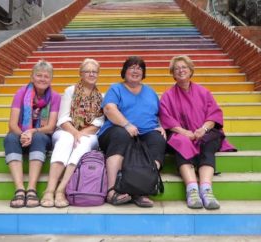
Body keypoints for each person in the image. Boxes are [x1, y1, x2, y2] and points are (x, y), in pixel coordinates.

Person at [159, 55, 236, 210]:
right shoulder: (167, 96)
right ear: (173, 74)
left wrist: (203, 129)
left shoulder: (203, 92)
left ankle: (206, 190)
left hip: (204, 132)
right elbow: (166, 118)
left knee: (207, 143)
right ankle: (192, 189)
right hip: (182, 133)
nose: (180, 71)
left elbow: (213, 115)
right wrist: (184, 132)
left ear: (191, 70)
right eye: (177, 68)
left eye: (184, 67)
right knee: (181, 142)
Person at [98, 56, 167, 208]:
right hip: (116, 131)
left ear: (143, 73)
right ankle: (112, 191)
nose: (136, 71)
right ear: (124, 71)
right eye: (131, 67)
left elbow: (158, 113)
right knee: (121, 134)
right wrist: (126, 124)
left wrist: (161, 125)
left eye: (139, 68)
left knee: (158, 139)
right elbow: (109, 109)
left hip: (145, 133)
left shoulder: (150, 92)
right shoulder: (116, 88)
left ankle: (142, 189)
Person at [40, 58, 104, 208]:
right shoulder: (70, 91)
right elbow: (62, 118)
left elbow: (98, 123)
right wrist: (75, 132)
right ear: (81, 74)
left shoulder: (101, 96)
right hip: (65, 129)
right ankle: (49, 190)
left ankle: (61, 190)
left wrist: (80, 134)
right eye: (87, 71)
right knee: (66, 140)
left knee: (82, 143)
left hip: (89, 134)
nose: (91, 74)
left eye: (94, 72)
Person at [4, 60, 61, 208]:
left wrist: (32, 131)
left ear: (51, 79)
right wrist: (23, 134)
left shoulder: (55, 97)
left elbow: (50, 127)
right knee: (10, 138)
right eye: (39, 75)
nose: (42, 79)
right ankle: (19, 189)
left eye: (46, 76)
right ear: (32, 77)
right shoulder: (21, 93)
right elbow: (12, 124)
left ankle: (31, 189)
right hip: (22, 136)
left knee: (39, 137)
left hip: (41, 138)